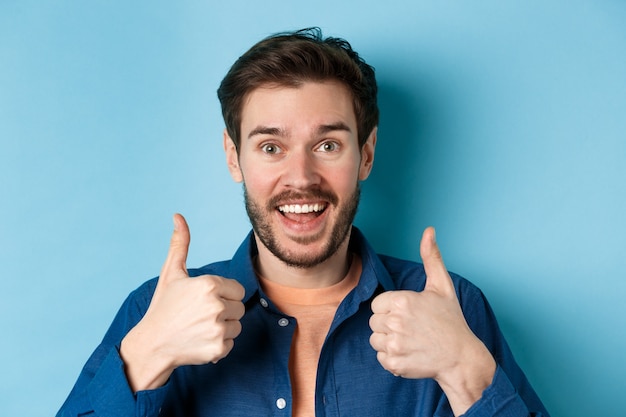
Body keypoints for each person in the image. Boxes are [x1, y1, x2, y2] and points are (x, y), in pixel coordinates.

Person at [57, 28, 549, 417]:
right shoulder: (156, 311)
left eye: (327, 145)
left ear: (367, 155)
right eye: (271, 147)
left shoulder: (451, 309)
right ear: (234, 158)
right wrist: (145, 357)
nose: (301, 178)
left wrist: (467, 370)